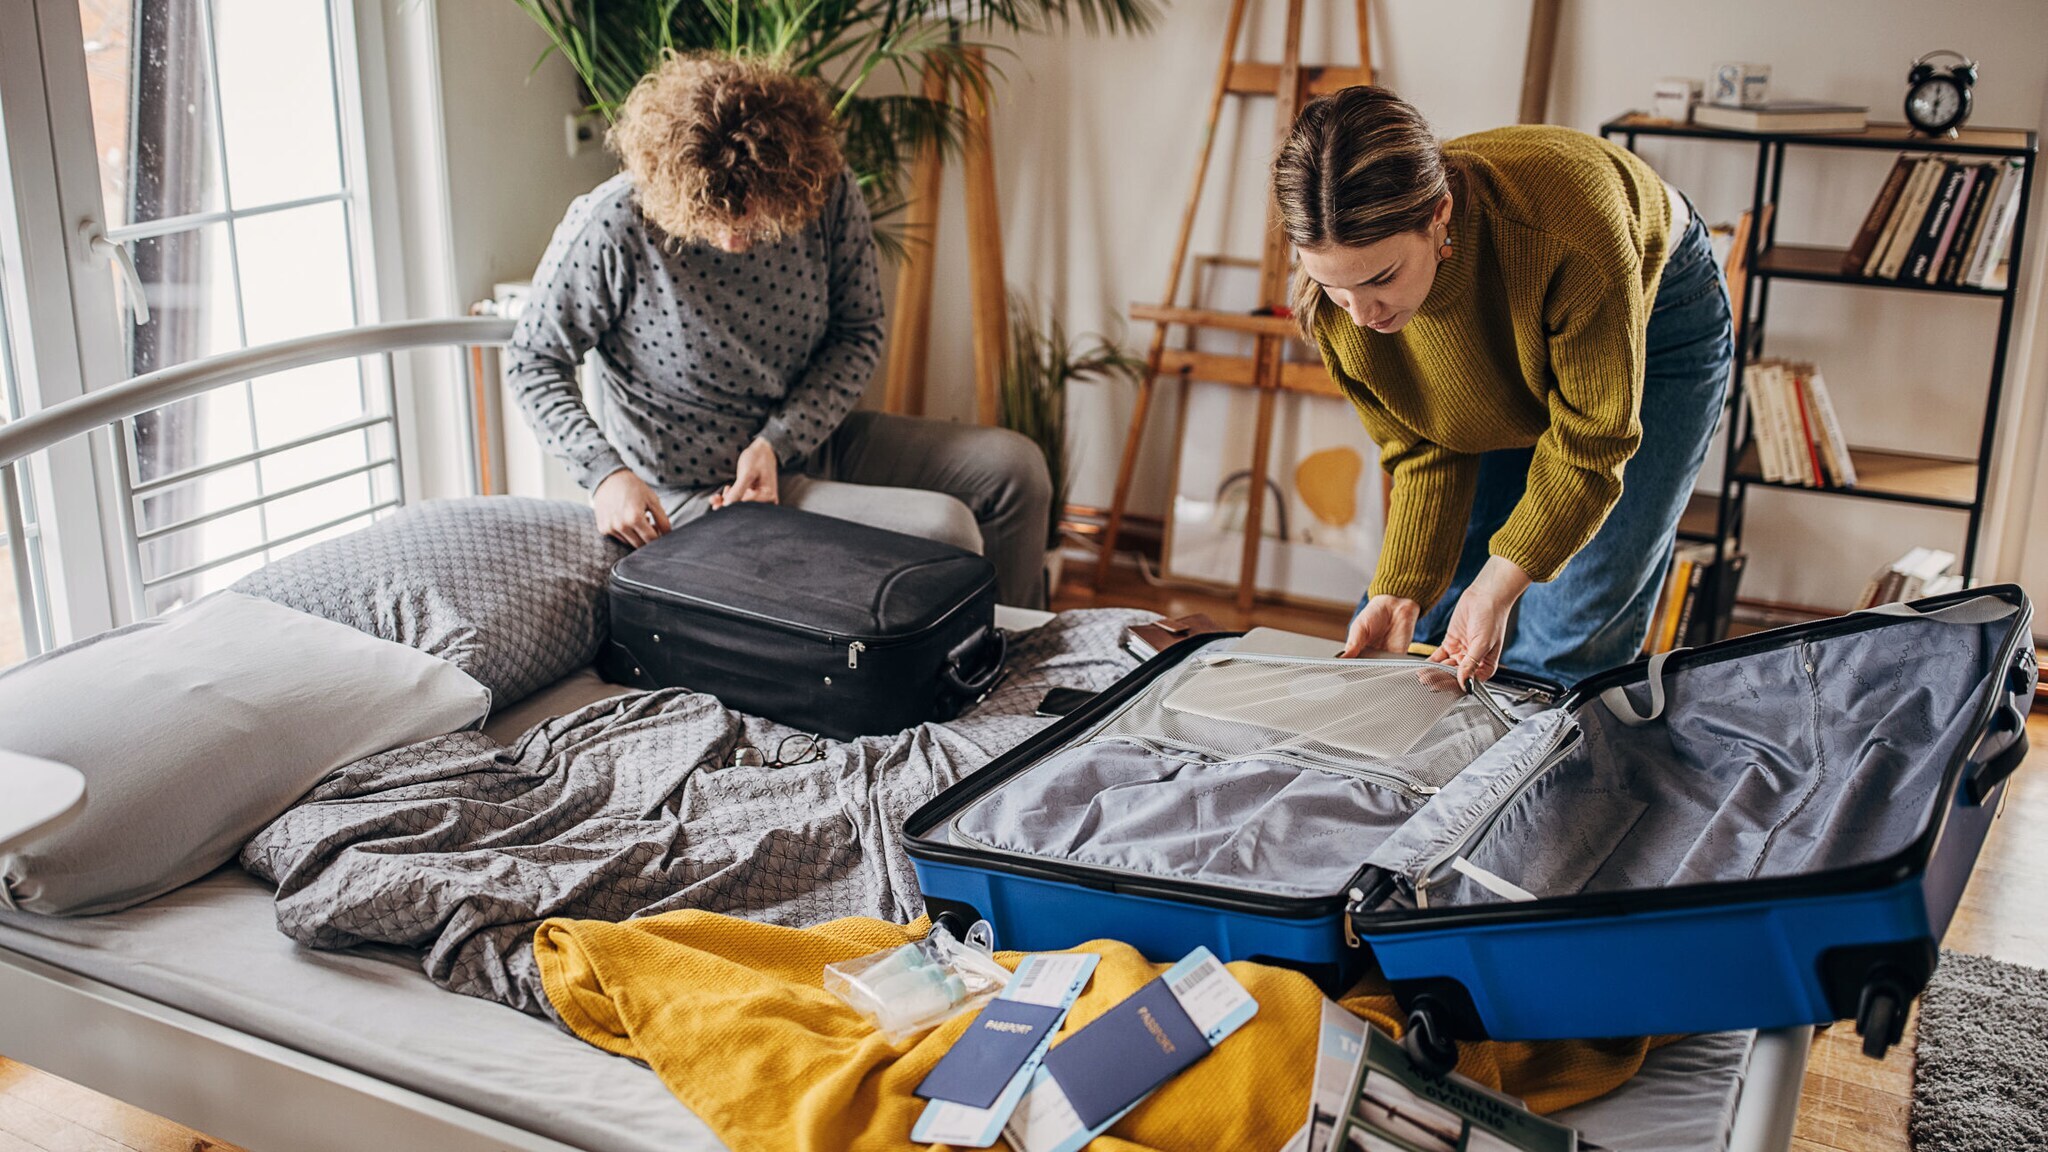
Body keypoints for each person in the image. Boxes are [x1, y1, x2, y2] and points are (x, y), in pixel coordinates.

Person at [507, 54, 1053, 607]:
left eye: (753, 217)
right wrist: (606, 475)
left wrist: (777, 441)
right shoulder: (613, 223)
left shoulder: (826, 190)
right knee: (944, 530)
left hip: (811, 442)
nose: (732, 239)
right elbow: (532, 360)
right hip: (695, 492)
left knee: (1016, 470)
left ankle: (1013, 651)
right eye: (714, 218)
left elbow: (858, 333)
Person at [1272, 86, 1733, 687]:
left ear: (1438, 215)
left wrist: (1503, 578)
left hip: (1656, 306)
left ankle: (1538, 778)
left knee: (1571, 624)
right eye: (1335, 285)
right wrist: (1401, 587)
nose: (1361, 315)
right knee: (1423, 618)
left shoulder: (1571, 236)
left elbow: (1589, 443)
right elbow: (1423, 444)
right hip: (1515, 309)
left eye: (1381, 277)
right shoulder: (1340, 306)